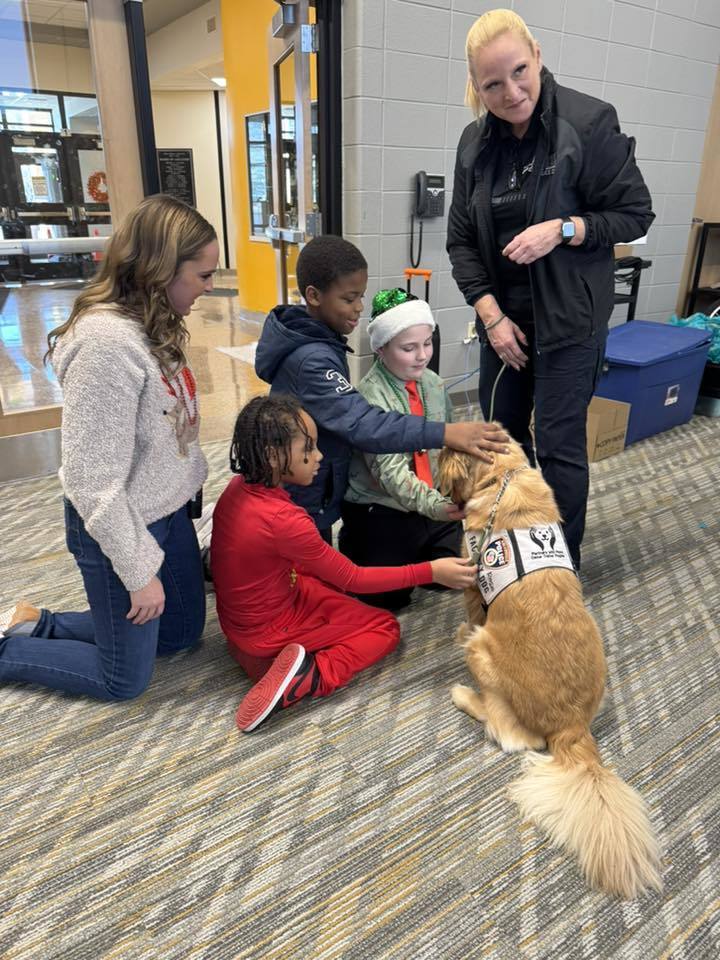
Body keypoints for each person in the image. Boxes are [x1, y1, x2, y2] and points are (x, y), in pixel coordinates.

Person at [447, 8, 654, 569]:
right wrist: (491, 316)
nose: (511, 92)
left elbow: (635, 214)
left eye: (519, 71)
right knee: (501, 441)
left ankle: (558, 564)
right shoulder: (473, 144)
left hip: (569, 323)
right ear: (477, 86)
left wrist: (563, 229)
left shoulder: (589, 124)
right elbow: (461, 241)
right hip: (503, 325)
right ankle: (511, 551)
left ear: (537, 56)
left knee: (560, 450)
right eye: (493, 84)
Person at [0, 195, 216, 700]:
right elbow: (90, 481)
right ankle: (8, 651)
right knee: (121, 680)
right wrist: (139, 572)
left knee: (182, 635)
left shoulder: (152, 323)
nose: (210, 287)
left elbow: (167, 433)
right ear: (162, 270)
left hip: (163, 512)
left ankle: (40, 622)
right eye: (203, 275)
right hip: (115, 524)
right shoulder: (105, 344)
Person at [210, 395, 477, 733]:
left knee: (325, 579)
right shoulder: (284, 520)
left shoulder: (237, 488)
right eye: (309, 448)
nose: (319, 456)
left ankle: (263, 661)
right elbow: (354, 578)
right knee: (384, 628)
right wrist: (431, 571)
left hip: (240, 628)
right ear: (273, 456)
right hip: (270, 626)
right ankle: (311, 675)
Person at [254, 234, 509, 542]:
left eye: (361, 297)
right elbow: (363, 424)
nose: (359, 307)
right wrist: (444, 432)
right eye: (349, 299)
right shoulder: (312, 359)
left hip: (320, 482)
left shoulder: (322, 339)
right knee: (311, 559)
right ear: (314, 295)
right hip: (306, 492)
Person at [340, 289, 463, 610]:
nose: (422, 355)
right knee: (388, 598)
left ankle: (420, 548)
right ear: (381, 348)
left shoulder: (434, 384)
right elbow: (391, 475)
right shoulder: (369, 396)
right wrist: (438, 508)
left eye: (427, 343)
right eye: (409, 348)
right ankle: (357, 545)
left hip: (429, 500)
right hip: (382, 506)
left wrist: (456, 492)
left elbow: (450, 445)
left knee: (451, 572)